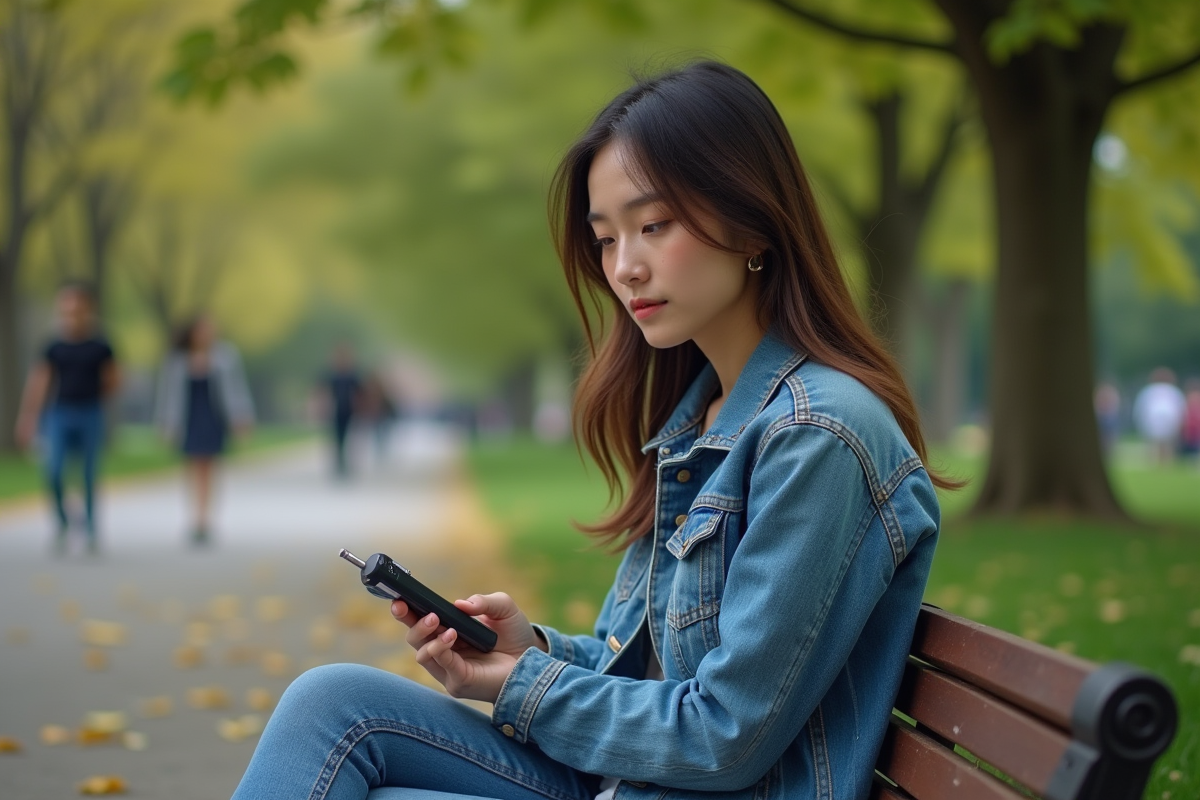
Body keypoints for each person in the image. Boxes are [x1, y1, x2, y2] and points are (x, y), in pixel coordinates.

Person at [231, 61, 954, 800]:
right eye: (606, 239)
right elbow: (644, 675)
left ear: (751, 220)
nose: (625, 268)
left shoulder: (818, 434)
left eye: (653, 226)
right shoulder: (702, 421)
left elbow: (725, 735)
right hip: (631, 782)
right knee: (330, 704)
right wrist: (530, 651)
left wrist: (525, 686)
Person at [14, 280, 119, 555]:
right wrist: (28, 418)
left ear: (88, 307)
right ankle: (62, 523)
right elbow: (39, 382)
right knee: (54, 470)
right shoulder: (53, 345)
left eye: (77, 303)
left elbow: (114, 379)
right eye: (66, 303)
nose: (72, 309)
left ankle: (92, 530)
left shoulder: (100, 344)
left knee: (87, 474)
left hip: (90, 412)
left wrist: (98, 396)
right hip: (59, 413)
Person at [156, 314, 255, 546]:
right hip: (188, 419)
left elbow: (236, 389)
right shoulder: (177, 360)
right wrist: (165, 424)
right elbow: (168, 395)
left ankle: (206, 520)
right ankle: (195, 518)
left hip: (213, 418)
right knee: (192, 468)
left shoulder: (225, 357)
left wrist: (242, 417)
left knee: (210, 468)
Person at [321, 343, 363, 479]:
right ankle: (339, 463)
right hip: (335, 411)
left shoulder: (352, 376)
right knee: (337, 438)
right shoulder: (332, 375)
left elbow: (360, 393)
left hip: (349, 411)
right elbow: (324, 392)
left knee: (350, 438)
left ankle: (346, 463)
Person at [1132, 368, 1186, 464]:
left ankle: (1156, 462)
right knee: (1165, 444)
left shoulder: (1149, 391)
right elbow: (1180, 407)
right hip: (1165, 419)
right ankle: (1164, 463)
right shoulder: (1173, 391)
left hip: (1156, 419)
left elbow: (1141, 407)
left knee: (1156, 444)